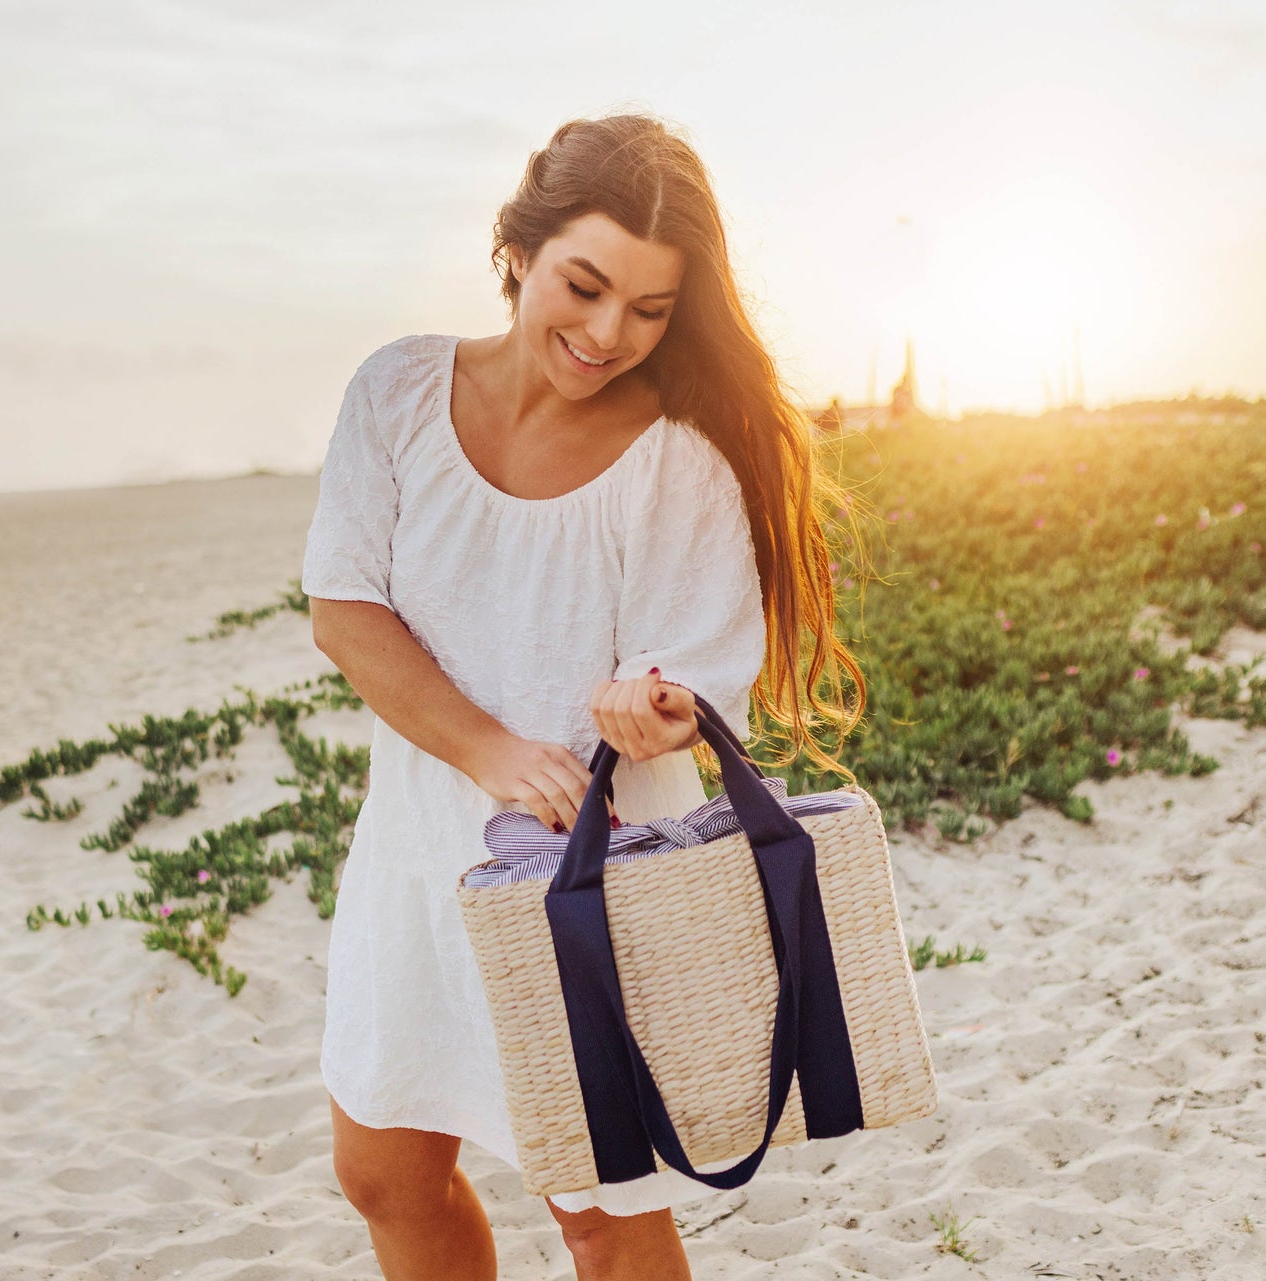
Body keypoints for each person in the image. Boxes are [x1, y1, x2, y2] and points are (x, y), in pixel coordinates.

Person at [299, 112, 867, 1281]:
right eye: (586, 286)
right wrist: (490, 751)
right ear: (520, 249)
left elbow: (696, 680)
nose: (609, 334)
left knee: (599, 1214)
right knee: (386, 1173)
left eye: (650, 309)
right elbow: (344, 609)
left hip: (591, 882)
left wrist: (655, 706)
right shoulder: (397, 391)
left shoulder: (677, 459)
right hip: (416, 856)